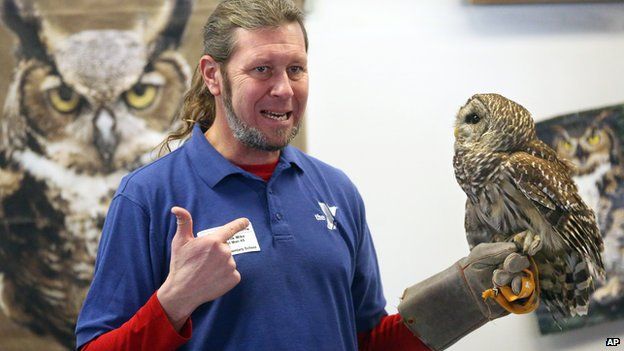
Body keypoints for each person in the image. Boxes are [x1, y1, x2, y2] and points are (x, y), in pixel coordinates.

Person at [75, 0, 532, 350]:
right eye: (261, 70)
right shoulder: (149, 196)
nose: (283, 88)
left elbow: (368, 340)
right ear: (213, 76)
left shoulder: (335, 190)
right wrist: (173, 302)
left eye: (296, 69)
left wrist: (467, 296)